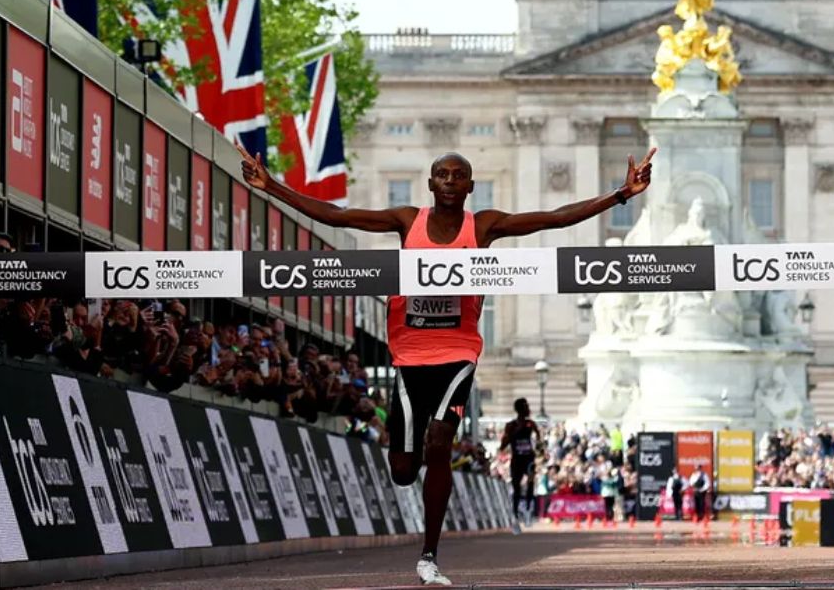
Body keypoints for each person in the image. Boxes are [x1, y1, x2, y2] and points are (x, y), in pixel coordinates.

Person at [241, 144, 654, 586]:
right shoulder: (407, 221)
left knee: (440, 443)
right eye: (443, 175)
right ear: (431, 183)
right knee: (403, 471)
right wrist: (272, 187)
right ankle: (418, 451)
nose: (451, 182)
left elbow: (553, 218)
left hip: (458, 353)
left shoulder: (483, 226)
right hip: (408, 355)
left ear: (471, 186)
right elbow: (339, 216)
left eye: (459, 176)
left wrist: (621, 194)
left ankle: (429, 555)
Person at [500, 397, 541, 533]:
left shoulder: (531, 424)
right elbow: (503, 444)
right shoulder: (510, 425)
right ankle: (515, 517)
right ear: (520, 409)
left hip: (529, 459)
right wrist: (510, 437)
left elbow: (539, 439)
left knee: (530, 482)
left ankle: (528, 511)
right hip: (516, 460)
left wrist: (539, 448)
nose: (528, 409)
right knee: (516, 488)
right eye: (526, 406)